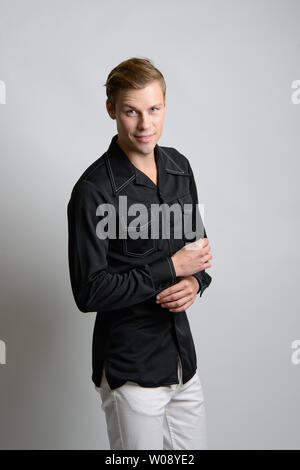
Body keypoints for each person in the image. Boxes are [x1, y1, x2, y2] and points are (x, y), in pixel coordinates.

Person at [67, 57, 213, 450]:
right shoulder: (93, 190)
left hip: (183, 362)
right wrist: (170, 267)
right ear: (112, 109)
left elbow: (197, 254)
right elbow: (89, 292)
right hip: (131, 370)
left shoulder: (180, 167)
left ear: (165, 105)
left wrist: (193, 281)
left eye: (154, 109)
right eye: (131, 111)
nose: (145, 124)